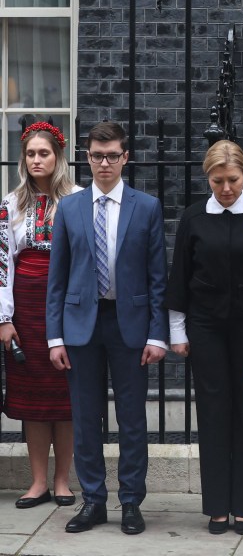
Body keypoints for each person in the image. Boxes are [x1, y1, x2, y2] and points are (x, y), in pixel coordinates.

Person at [46, 121, 169, 534]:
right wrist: (54, 336)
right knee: (85, 418)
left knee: (133, 419)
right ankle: (93, 500)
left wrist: (157, 333)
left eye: (112, 155)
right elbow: (56, 279)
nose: (104, 163)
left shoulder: (147, 207)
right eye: (97, 155)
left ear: (125, 157)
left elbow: (157, 278)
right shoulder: (69, 208)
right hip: (81, 325)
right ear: (87, 157)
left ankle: (131, 501)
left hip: (129, 325)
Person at [165, 140, 243, 535]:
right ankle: (217, 507)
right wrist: (177, 332)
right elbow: (180, 277)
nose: (226, 188)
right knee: (213, 415)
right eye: (218, 181)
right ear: (207, 178)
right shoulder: (194, 218)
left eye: (232, 179)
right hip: (206, 329)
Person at [0, 121, 81, 509]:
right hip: (25, 311)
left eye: (43, 152)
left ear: (58, 156)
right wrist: (4, 318)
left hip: (66, 308)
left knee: (64, 398)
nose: (36, 159)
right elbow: (1, 265)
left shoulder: (78, 200)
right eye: (30, 153)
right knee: (32, 400)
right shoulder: (10, 204)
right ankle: (37, 482)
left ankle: (63, 481)